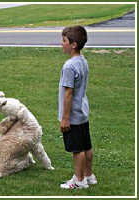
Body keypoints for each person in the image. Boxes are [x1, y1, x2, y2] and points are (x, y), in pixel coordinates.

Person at [58, 26, 97, 189]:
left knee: (77, 149)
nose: (61, 44)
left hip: (72, 115)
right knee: (86, 146)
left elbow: (68, 94)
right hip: (82, 112)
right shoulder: (83, 61)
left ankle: (79, 180)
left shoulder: (69, 66)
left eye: (64, 41)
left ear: (73, 44)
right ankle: (89, 175)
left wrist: (65, 118)